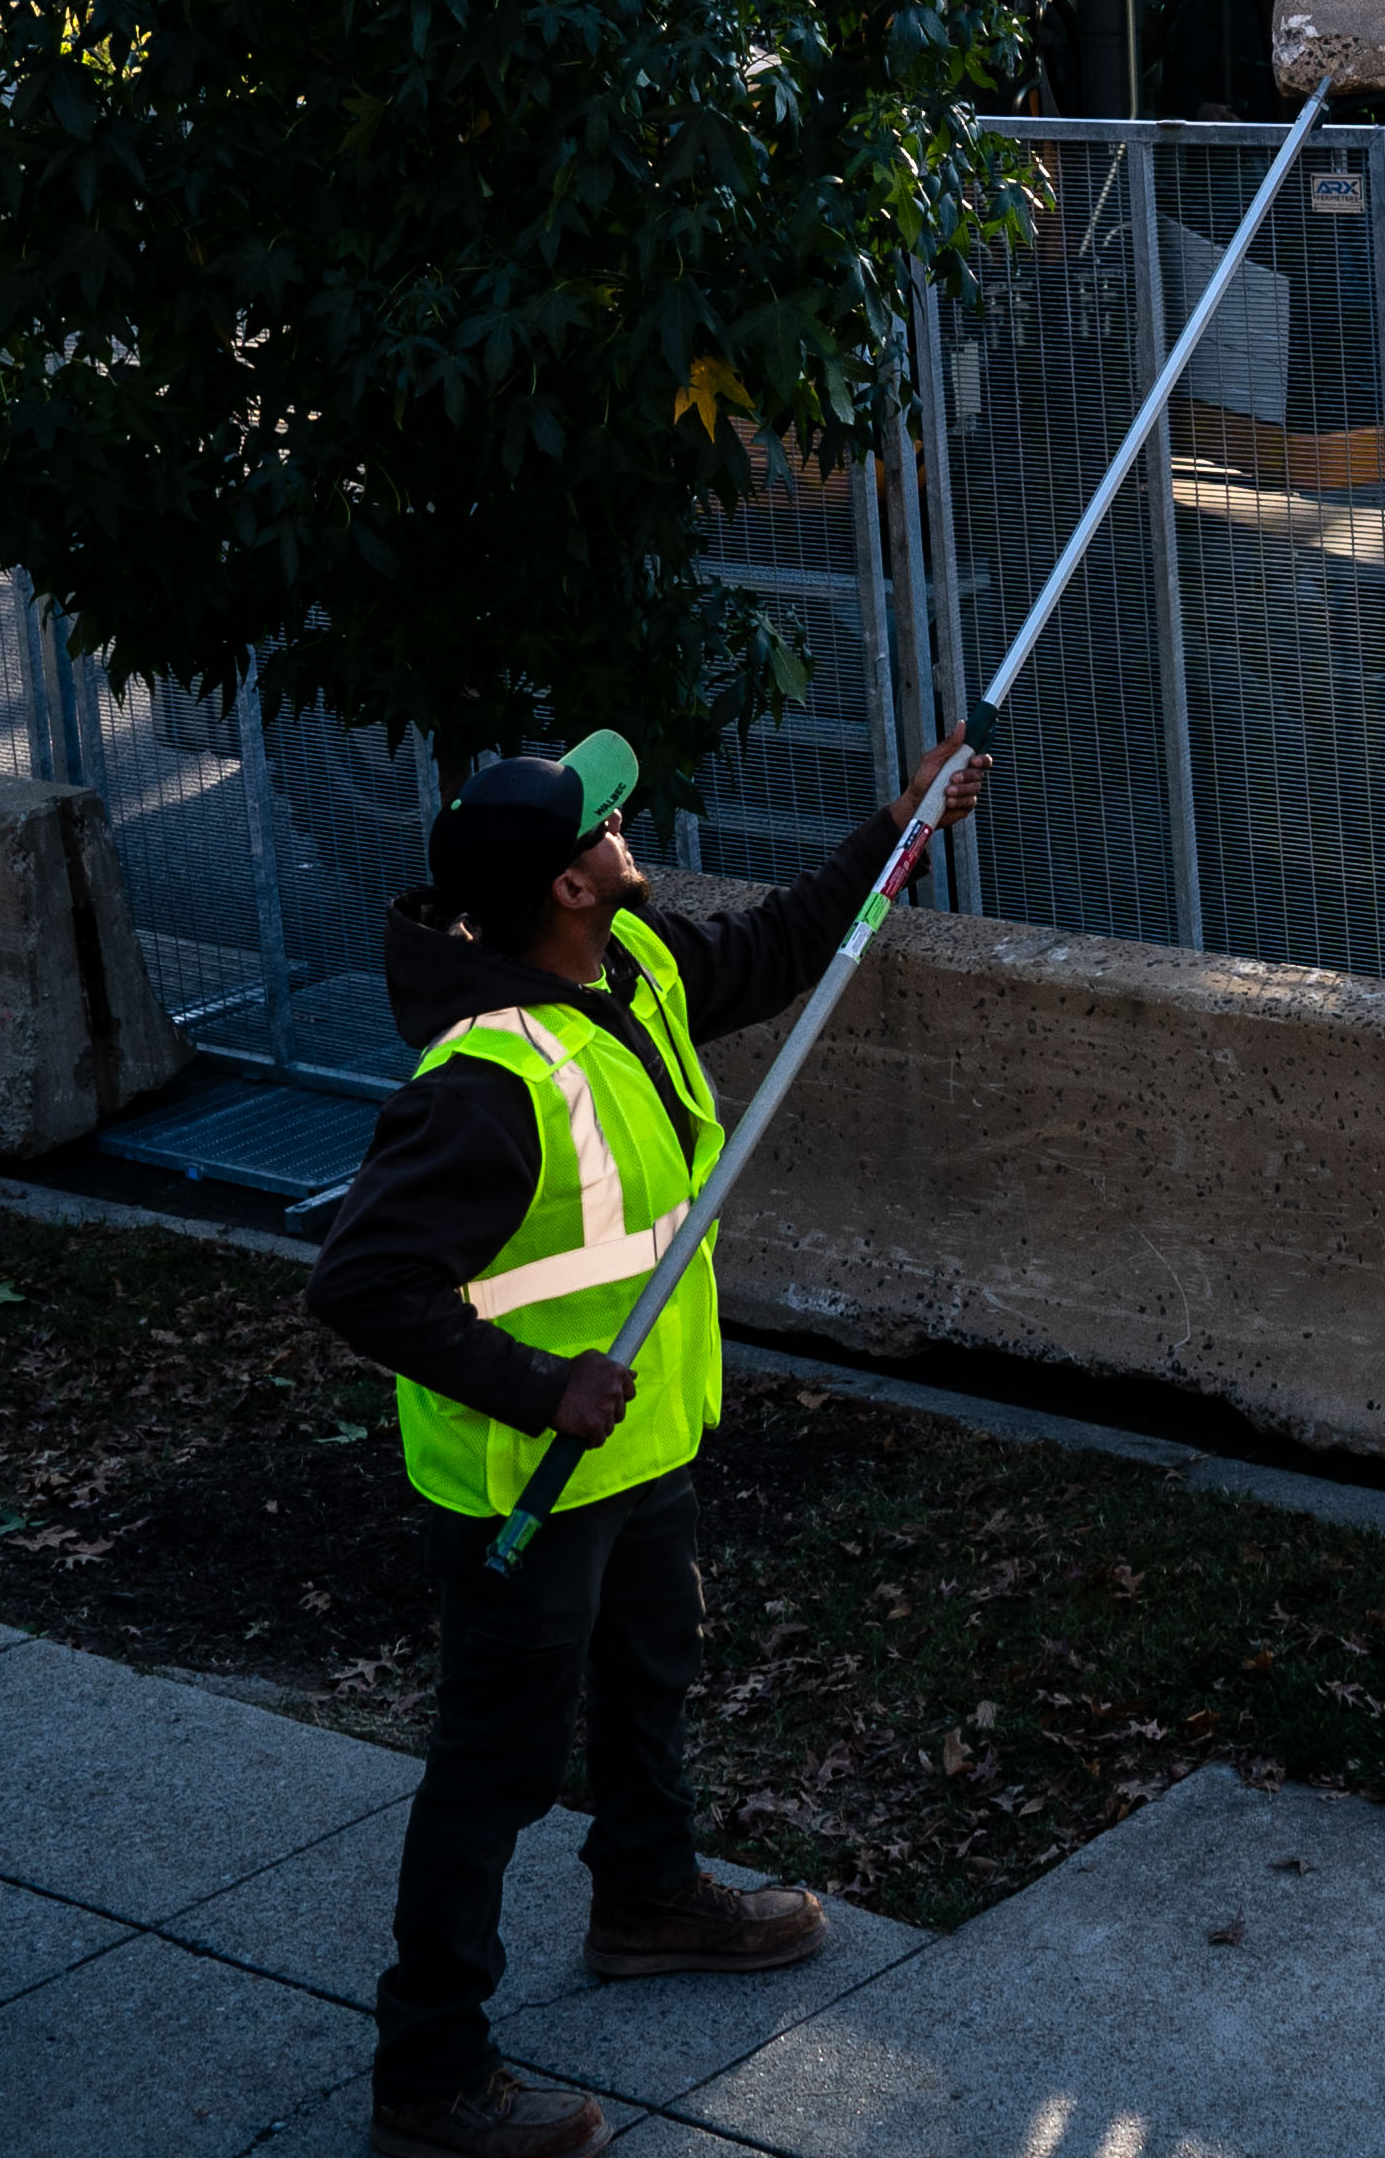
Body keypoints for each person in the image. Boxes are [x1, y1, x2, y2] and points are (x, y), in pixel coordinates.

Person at [307, 725, 983, 2158]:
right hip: (528, 1481)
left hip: (644, 1444)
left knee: (648, 1680)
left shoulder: (638, 965)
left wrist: (900, 822)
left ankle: (648, 1900)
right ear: (563, 885)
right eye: (608, 830)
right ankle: (428, 2078)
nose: (631, 836)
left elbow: (785, 944)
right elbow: (360, 1284)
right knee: (492, 1769)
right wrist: (535, 1387)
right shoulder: (485, 1082)